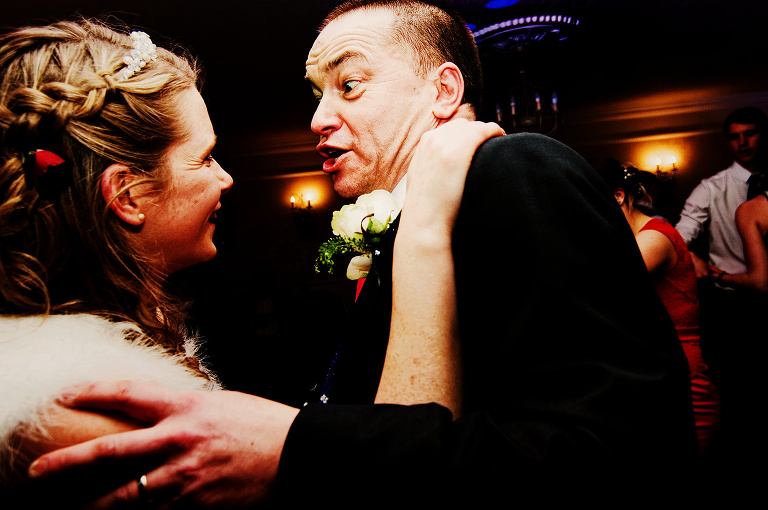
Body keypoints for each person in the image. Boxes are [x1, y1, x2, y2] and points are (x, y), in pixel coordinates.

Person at [28, 1, 699, 507]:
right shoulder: (395, 226)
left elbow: (622, 455)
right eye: (316, 95)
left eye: (349, 86)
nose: (318, 119)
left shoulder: (517, 169)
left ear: (442, 92)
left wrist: (301, 451)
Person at [0, 13, 497, 506]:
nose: (226, 179)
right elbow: (395, 495)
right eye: (205, 157)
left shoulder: (121, 344)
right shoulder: (73, 407)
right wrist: (424, 229)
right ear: (126, 195)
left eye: (350, 84)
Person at [593, 158, 720, 454]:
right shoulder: (633, 239)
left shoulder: (655, 237)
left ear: (618, 196)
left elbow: (601, 287)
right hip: (658, 379)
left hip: (683, 386)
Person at [675, 106, 768, 461]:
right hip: (732, 307)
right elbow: (678, 238)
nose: (742, 142)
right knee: (738, 393)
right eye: (734, 135)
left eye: (750, 133)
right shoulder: (712, 188)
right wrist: (695, 261)